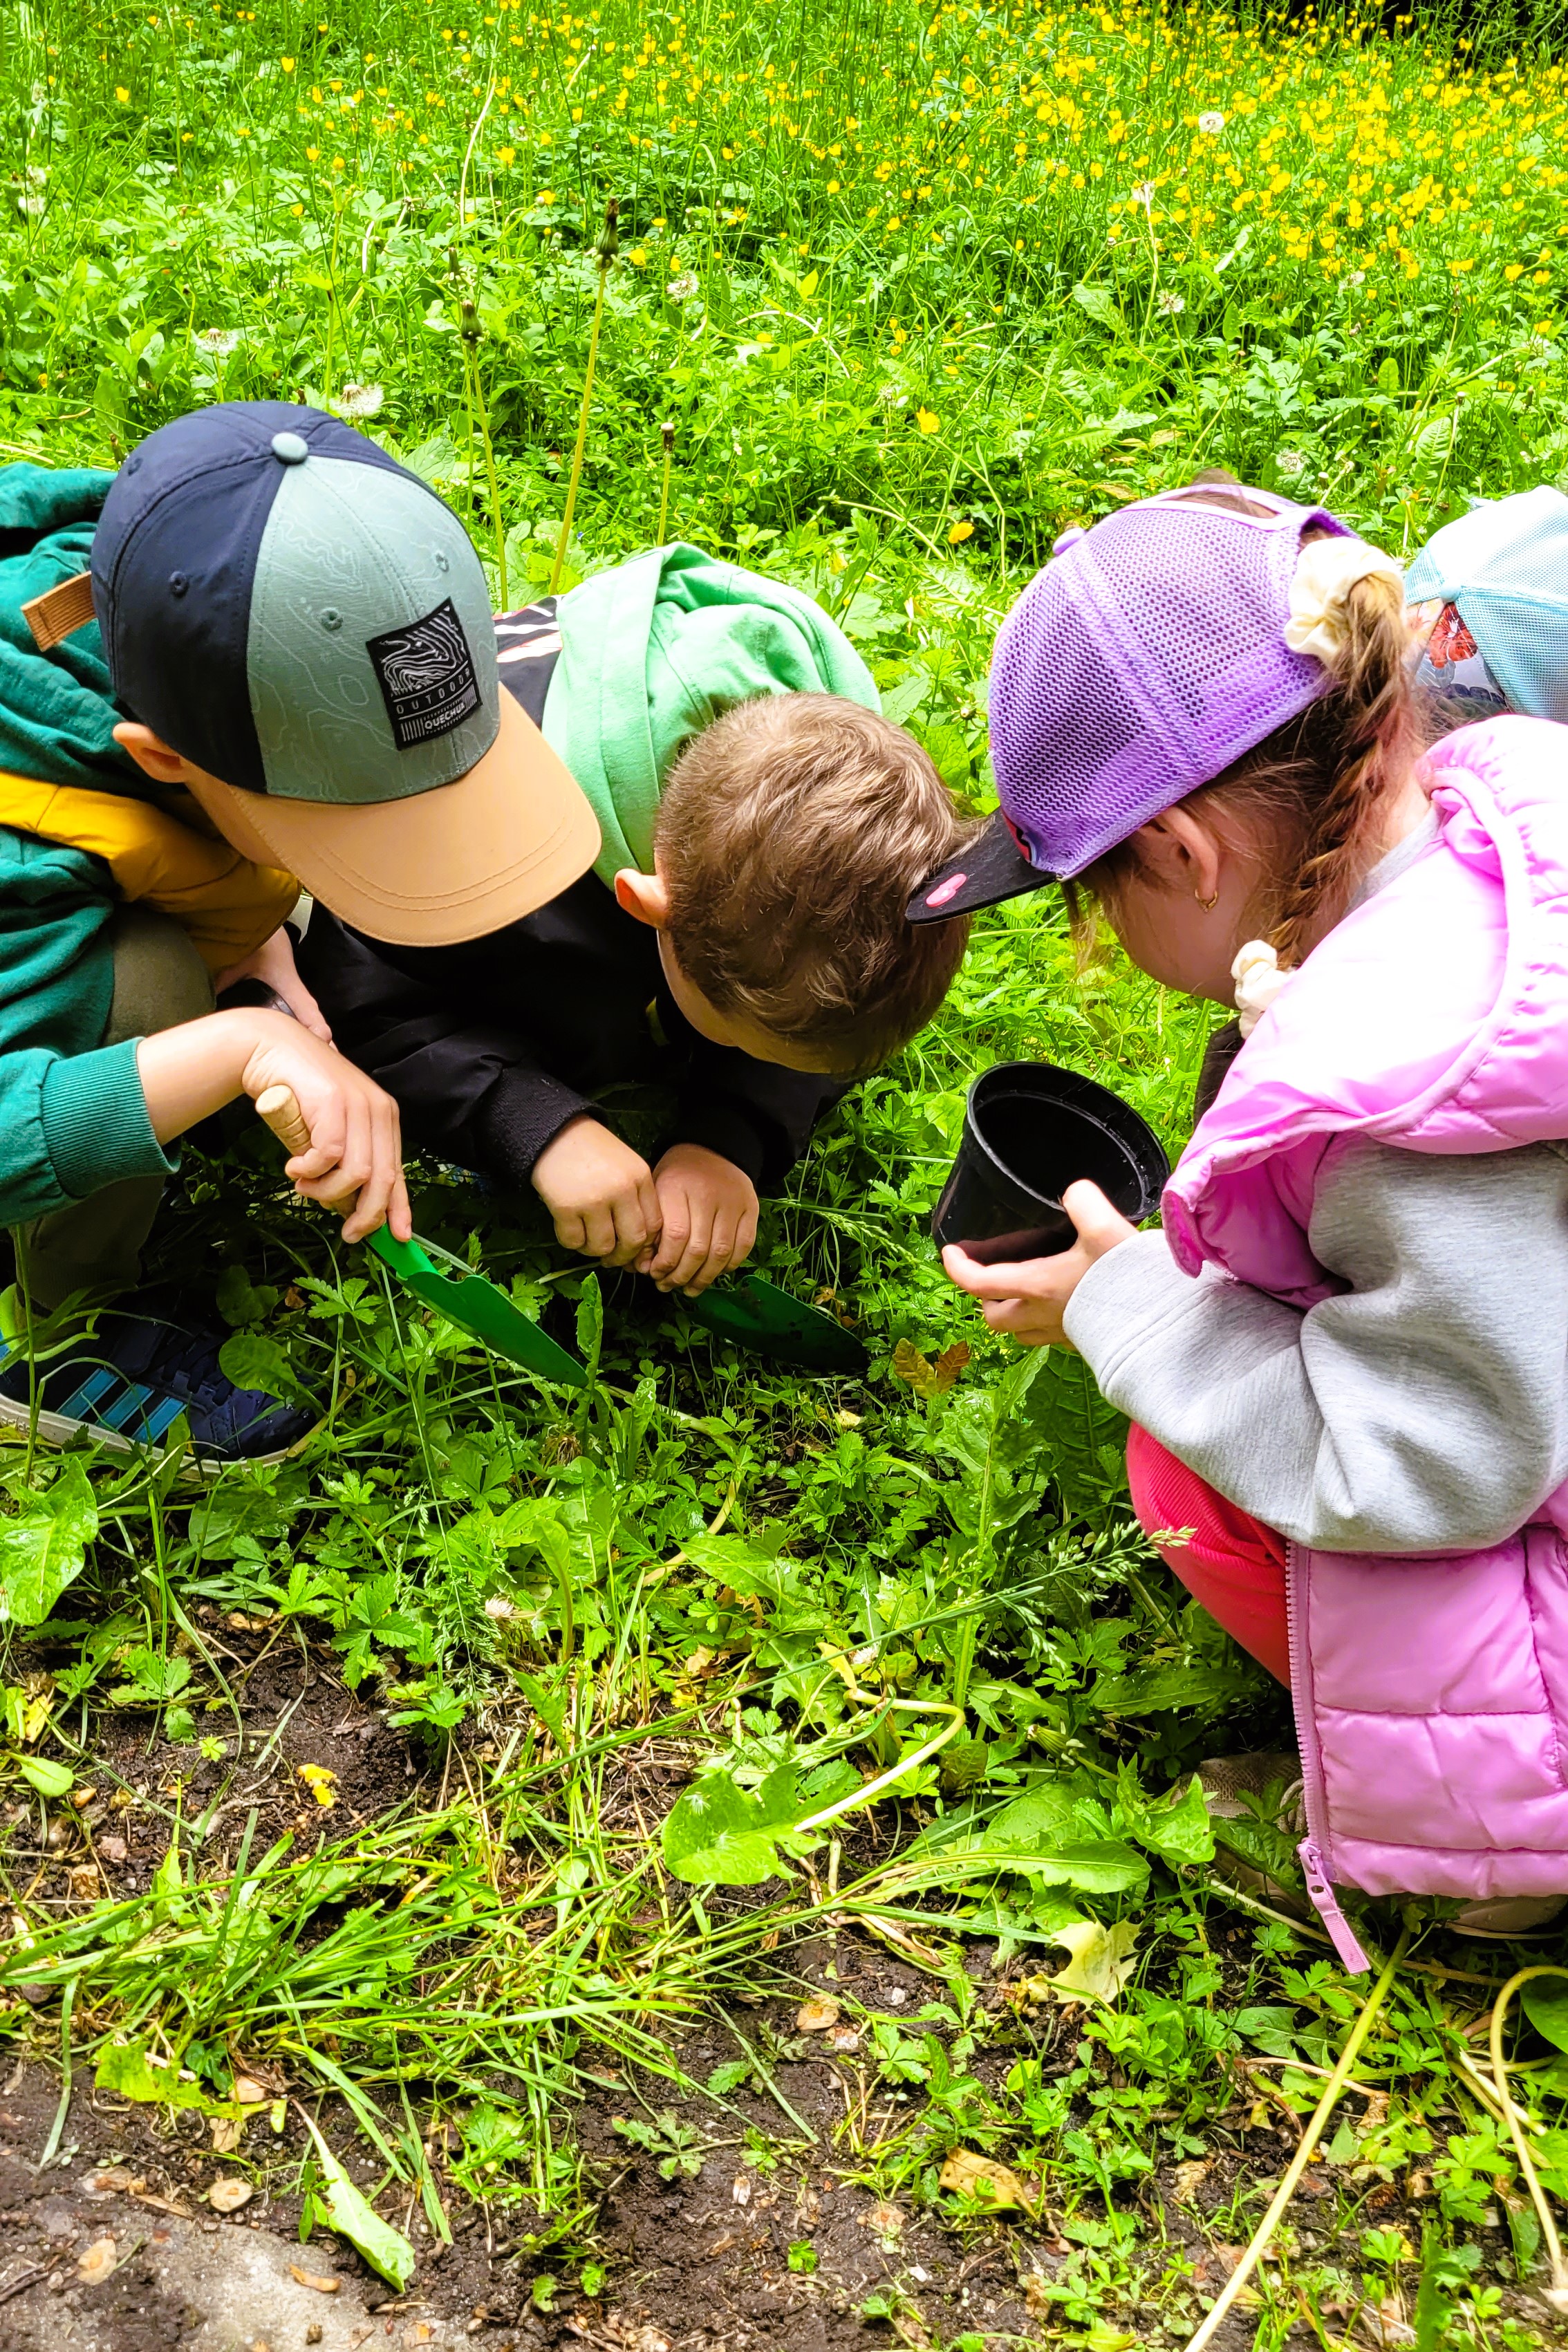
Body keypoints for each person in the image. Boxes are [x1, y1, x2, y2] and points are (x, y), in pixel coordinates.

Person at [909, 478, 1568, 1950]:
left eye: (1090, 901)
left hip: (1483, 1468)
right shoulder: (1509, 841)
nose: (1107, 944)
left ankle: (1498, 1873)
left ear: (1186, 858)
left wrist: (1124, 1310)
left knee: (1189, 1474)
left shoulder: (1407, 1106)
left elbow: (1430, 1463)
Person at [0, 400, 600, 1460]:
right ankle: (65, 1333)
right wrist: (242, 1042)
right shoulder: (21, 854)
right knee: (142, 990)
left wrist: (257, 937)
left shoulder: (184, 555)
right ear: (161, 757)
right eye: (343, 818)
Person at [300, 548, 973, 1298]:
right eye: (746, 1038)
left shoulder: (852, 801)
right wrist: (535, 1124)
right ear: (645, 904)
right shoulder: (469, 843)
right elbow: (358, 993)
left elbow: (813, 1005)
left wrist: (731, 1135)